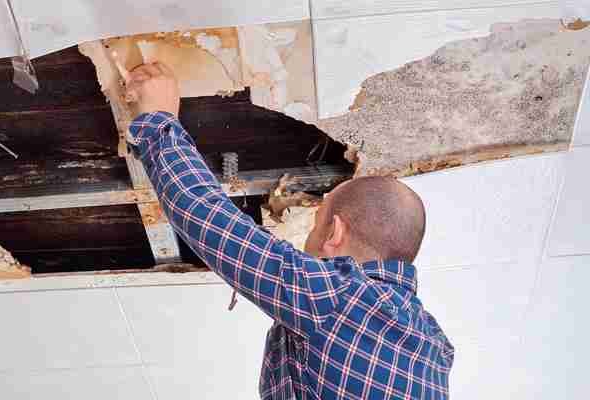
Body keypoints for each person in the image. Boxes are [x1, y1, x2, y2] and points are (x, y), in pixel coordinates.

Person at [125, 62, 454, 400]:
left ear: (334, 233)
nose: (308, 241)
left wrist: (157, 118)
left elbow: (210, 219)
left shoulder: (340, 300)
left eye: (316, 224)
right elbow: (217, 226)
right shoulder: (433, 348)